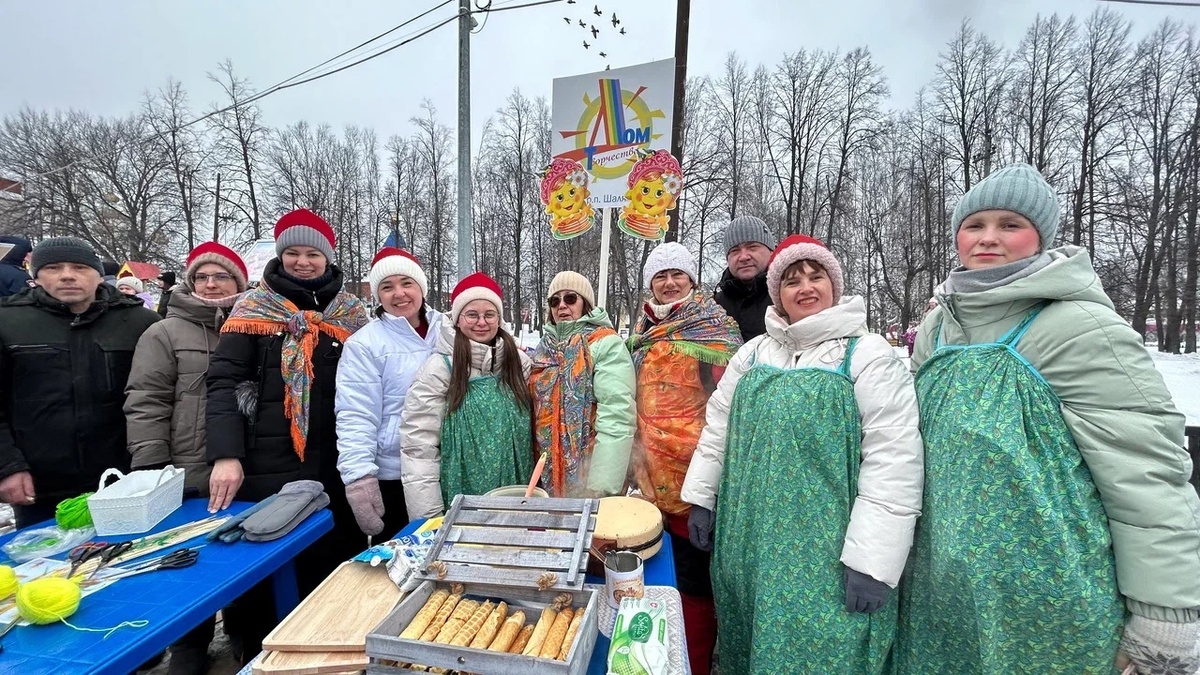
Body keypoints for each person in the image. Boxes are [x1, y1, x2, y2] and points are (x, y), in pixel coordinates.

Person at [895, 164, 1200, 674]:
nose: (988, 237)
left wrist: (1163, 613)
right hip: (942, 596)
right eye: (975, 224)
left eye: (1010, 224)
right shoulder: (937, 328)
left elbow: (1146, 473)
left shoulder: (1080, 326)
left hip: (1054, 600)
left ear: (1040, 236)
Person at [681, 234, 924, 674]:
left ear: (834, 285)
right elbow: (718, 428)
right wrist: (701, 498)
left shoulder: (865, 355)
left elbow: (893, 456)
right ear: (778, 293)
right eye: (792, 280)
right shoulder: (754, 353)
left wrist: (873, 561)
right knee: (751, 641)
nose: (806, 287)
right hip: (749, 541)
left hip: (826, 552)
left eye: (817, 276)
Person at [205, 208, 368, 661]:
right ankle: (260, 655)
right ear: (279, 256)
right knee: (268, 559)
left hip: (338, 459)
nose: (302, 261)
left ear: (328, 258)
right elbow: (222, 382)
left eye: (312, 253)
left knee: (336, 555)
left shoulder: (351, 314)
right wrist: (226, 454)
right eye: (292, 252)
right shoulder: (253, 308)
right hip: (269, 461)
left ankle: (332, 649)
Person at [123, 241, 248, 675]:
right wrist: (151, 466)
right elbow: (146, 400)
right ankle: (190, 646)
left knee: (243, 555)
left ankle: (239, 633)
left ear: (240, 282)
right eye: (202, 277)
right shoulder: (165, 332)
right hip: (185, 466)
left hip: (246, 462)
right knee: (189, 559)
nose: (211, 284)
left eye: (222, 276)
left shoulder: (257, 326)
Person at [626, 242, 741, 675]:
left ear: (692, 280)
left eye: (678, 275)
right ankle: (657, 659)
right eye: (660, 276)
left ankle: (693, 664)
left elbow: (730, 410)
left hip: (695, 480)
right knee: (658, 582)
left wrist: (710, 487)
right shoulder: (642, 331)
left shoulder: (713, 329)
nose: (670, 283)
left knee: (694, 588)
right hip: (647, 479)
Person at [0, 237, 160, 527]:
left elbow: (158, 394)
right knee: (52, 566)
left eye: (79, 267)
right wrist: (7, 467)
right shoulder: (8, 322)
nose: (67, 275)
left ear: (98, 274)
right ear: (35, 275)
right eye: (53, 267)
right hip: (41, 483)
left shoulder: (140, 322)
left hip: (124, 477)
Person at [400, 272, 534, 519]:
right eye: (472, 314)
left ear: (499, 319)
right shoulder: (439, 369)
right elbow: (419, 445)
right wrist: (429, 516)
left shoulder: (519, 364)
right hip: (462, 500)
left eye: (489, 314)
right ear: (457, 320)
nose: (481, 322)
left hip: (518, 494)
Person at [335, 247, 443, 538]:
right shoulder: (365, 345)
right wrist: (359, 477)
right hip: (396, 472)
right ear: (377, 295)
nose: (399, 294)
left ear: (421, 286)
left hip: (451, 463)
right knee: (403, 558)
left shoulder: (449, 329)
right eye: (387, 287)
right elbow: (355, 414)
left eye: (406, 283)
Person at [530, 271, 635, 497]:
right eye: (554, 301)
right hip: (546, 473)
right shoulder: (543, 348)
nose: (562, 306)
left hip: (588, 475)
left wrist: (601, 486)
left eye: (570, 298)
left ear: (585, 303)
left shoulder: (605, 343)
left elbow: (617, 415)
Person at [713, 215, 776, 342]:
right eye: (735, 251)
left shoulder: (786, 295)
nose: (743, 257)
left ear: (771, 251)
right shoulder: (715, 306)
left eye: (752, 247)